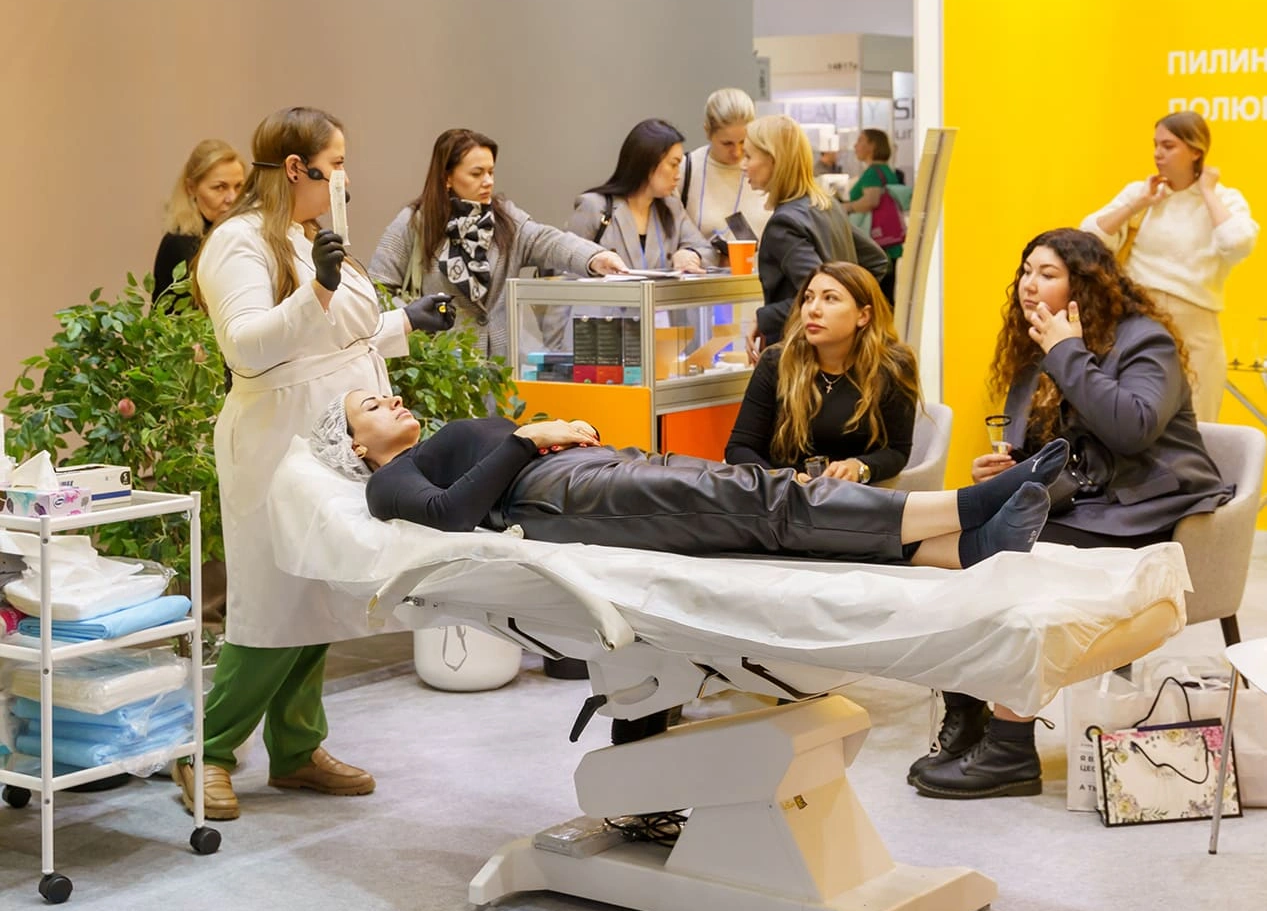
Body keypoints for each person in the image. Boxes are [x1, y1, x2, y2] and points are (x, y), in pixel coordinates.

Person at [177, 105, 452, 823]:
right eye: (336, 165)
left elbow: (335, 338)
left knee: (323, 592)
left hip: (333, 444)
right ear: (297, 169)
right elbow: (248, 347)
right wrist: (319, 287)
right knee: (274, 604)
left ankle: (297, 749)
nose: (345, 180)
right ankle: (206, 749)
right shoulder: (239, 242)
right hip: (278, 444)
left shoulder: (307, 238)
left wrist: (404, 321)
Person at [910, 227, 1234, 802]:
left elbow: (1131, 429)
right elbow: (1055, 452)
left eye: (1048, 274)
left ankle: (1010, 745)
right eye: (1026, 271)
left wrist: (1066, 352)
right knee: (947, 545)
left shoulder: (1145, 341)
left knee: (1010, 557)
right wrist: (1007, 470)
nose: (1029, 285)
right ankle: (967, 711)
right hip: (1089, 504)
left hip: (1146, 509)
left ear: (1084, 285)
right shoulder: (1037, 349)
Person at [318, 392, 1075, 573]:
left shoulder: (436, 440)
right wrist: (526, 438)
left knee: (752, 500)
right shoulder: (387, 484)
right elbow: (452, 514)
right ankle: (968, 505)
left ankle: (964, 548)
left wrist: (556, 436)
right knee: (758, 502)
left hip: (587, 468)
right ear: (356, 445)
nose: (391, 400)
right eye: (370, 407)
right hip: (554, 498)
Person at [370, 128, 624, 357]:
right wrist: (415, 320)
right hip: (443, 367)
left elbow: (547, 240)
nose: (488, 181)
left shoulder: (506, 218)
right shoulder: (414, 223)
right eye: (476, 173)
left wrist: (595, 257)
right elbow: (378, 288)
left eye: (491, 172)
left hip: (504, 367)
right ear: (447, 177)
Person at [1081, 110, 1258, 422]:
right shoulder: (1143, 192)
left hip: (1196, 327)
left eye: (1168, 145)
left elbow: (1237, 244)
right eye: (1155, 144)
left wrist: (1207, 191)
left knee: (1199, 423)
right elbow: (1088, 239)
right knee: (1129, 417)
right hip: (1137, 316)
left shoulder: (1224, 199)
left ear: (1196, 151)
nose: (1157, 153)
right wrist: (1138, 204)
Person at [726, 263, 917, 482]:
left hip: (855, 495)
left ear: (863, 315)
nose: (813, 310)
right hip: (783, 495)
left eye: (830, 298)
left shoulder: (892, 366)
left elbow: (897, 451)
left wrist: (859, 467)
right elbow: (739, 448)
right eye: (808, 298)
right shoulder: (777, 362)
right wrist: (784, 480)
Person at [741, 114, 888, 352]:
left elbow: (813, 295)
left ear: (773, 160)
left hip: (802, 351)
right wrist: (848, 306)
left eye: (749, 156)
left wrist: (764, 317)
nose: (743, 165)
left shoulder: (784, 224)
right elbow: (876, 261)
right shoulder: (827, 205)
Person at [568, 119, 721, 272]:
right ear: (648, 162)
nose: (678, 175)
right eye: (673, 164)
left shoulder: (672, 207)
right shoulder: (594, 206)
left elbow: (708, 251)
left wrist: (691, 254)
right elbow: (566, 263)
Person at [151, 139, 245, 304]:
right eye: (220, 187)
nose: (232, 198)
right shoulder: (179, 243)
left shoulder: (244, 234)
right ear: (191, 188)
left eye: (239, 187)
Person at [680, 88, 772, 244]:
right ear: (708, 132)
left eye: (743, 141)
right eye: (727, 143)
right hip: (701, 259)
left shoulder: (766, 168)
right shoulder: (686, 169)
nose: (737, 152)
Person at [840, 128, 906, 298]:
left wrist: (846, 207)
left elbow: (871, 200)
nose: (855, 146)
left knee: (875, 295)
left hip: (877, 242)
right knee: (887, 293)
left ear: (872, 146)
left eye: (860, 141)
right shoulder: (887, 171)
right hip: (889, 241)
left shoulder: (872, 173)